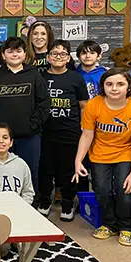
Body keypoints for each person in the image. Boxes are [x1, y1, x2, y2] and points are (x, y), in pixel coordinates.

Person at [73, 68, 131, 246]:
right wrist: (78, 161)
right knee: (102, 191)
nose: (114, 88)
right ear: (103, 86)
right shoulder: (93, 105)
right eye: (109, 84)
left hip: (125, 154)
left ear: (129, 86)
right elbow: (87, 136)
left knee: (125, 192)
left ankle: (126, 227)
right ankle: (109, 224)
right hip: (99, 155)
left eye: (120, 84)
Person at [0, 37, 50, 193]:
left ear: (24, 54)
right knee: (1, 173)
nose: (14, 55)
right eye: (10, 51)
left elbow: (43, 103)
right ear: (3, 55)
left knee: (29, 172)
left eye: (18, 51)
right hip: (2, 138)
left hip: (29, 136)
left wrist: (32, 125)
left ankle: (30, 207)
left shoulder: (34, 75)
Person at [38, 40, 89, 221]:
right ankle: (45, 201)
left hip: (70, 132)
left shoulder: (76, 78)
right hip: (45, 132)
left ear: (68, 58)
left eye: (62, 54)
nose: (58, 57)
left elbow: (84, 106)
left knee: (68, 170)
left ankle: (67, 203)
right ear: (48, 57)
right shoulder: (41, 77)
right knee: (45, 169)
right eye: (54, 53)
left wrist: (84, 128)